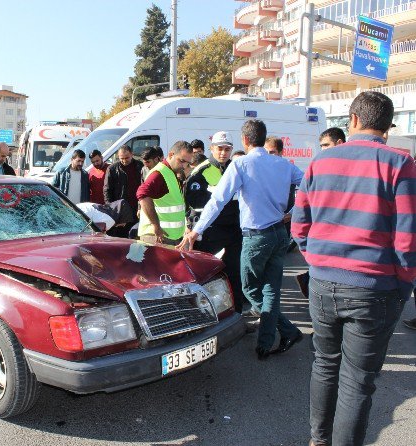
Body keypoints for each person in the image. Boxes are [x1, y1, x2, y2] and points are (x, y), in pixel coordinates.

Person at [291, 91, 416, 446]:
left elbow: (299, 224)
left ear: (354, 120)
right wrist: (405, 282)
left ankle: (318, 440)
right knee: (357, 380)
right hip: (374, 287)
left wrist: (315, 259)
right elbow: (408, 238)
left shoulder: (320, 161)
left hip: (322, 282)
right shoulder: (400, 164)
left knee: (325, 364)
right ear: (387, 127)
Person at [178, 120, 304, 360]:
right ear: (263, 138)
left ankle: (286, 330)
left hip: (257, 237)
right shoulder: (282, 164)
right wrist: (294, 212)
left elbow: (217, 201)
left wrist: (195, 231)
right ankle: (266, 343)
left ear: (245, 141)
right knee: (271, 290)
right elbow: (311, 184)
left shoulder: (241, 164)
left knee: (249, 289)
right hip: (279, 234)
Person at [182, 131, 244, 313]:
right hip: (210, 233)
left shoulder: (236, 168)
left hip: (234, 232)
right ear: (212, 149)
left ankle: (237, 314)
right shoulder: (200, 172)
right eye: (220, 149)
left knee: (234, 275)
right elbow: (194, 205)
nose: (223, 153)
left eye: (227, 149)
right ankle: (203, 314)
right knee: (205, 277)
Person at [296, 127, 348, 296]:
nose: (323, 150)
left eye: (326, 145)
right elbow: (302, 215)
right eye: (321, 146)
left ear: (339, 143)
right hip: (323, 250)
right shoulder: (317, 169)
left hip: (345, 252)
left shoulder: (351, 169)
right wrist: (308, 252)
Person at [136, 141, 193, 245]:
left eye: (187, 163)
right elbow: (142, 195)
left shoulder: (170, 173)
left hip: (167, 237)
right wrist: (156, 226)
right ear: (171, 155)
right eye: (182, 161)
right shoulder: (159, 173)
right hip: (157, 236)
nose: (184, 166)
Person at [103, 145, 144, 225]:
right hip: (120, 208)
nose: (124, 161)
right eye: (122, 158)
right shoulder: (112, 169)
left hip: (137, 207)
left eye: (127, 158)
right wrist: (110, 208)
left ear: (132, 154)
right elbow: (107, 190)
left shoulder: (140, 166)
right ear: (118, 156)